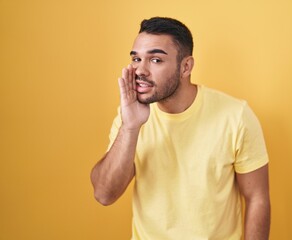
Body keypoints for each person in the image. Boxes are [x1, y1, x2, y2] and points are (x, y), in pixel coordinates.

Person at [91, 17, 270, 240]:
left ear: (186, 66)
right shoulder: (129, 117)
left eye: (155, 60)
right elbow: (104, 194)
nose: (140, 70)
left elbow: (257, 198)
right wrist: (130, 127)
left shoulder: (236, 115)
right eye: (136, 58)